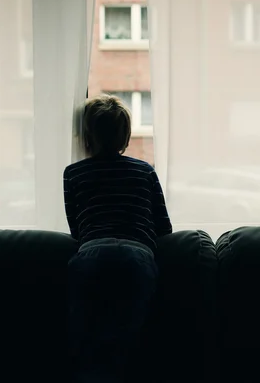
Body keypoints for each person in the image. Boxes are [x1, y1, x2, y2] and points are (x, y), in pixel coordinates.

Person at [64, 94, 172, 383]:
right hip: (137, 255)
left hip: (92, 253)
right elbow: (164, 227)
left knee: (85, 333)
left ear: (85, 137)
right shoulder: (144, 171)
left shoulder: (74, 173)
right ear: (125, 136)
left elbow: (77, 229)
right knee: (131, 333)